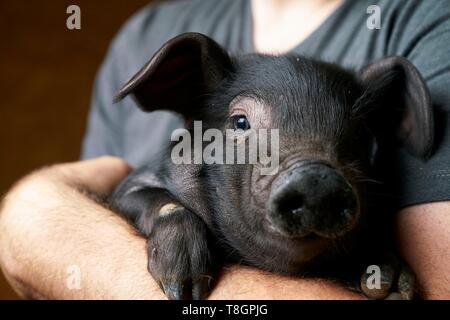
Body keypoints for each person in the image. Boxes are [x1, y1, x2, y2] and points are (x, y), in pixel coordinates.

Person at [1, 0, 449, 299]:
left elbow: (63, 235)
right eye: (242, 125)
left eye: (348, 135)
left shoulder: (427, 19)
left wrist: (44, 230)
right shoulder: (142, 33)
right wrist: (168, 217)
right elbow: (120, 192)